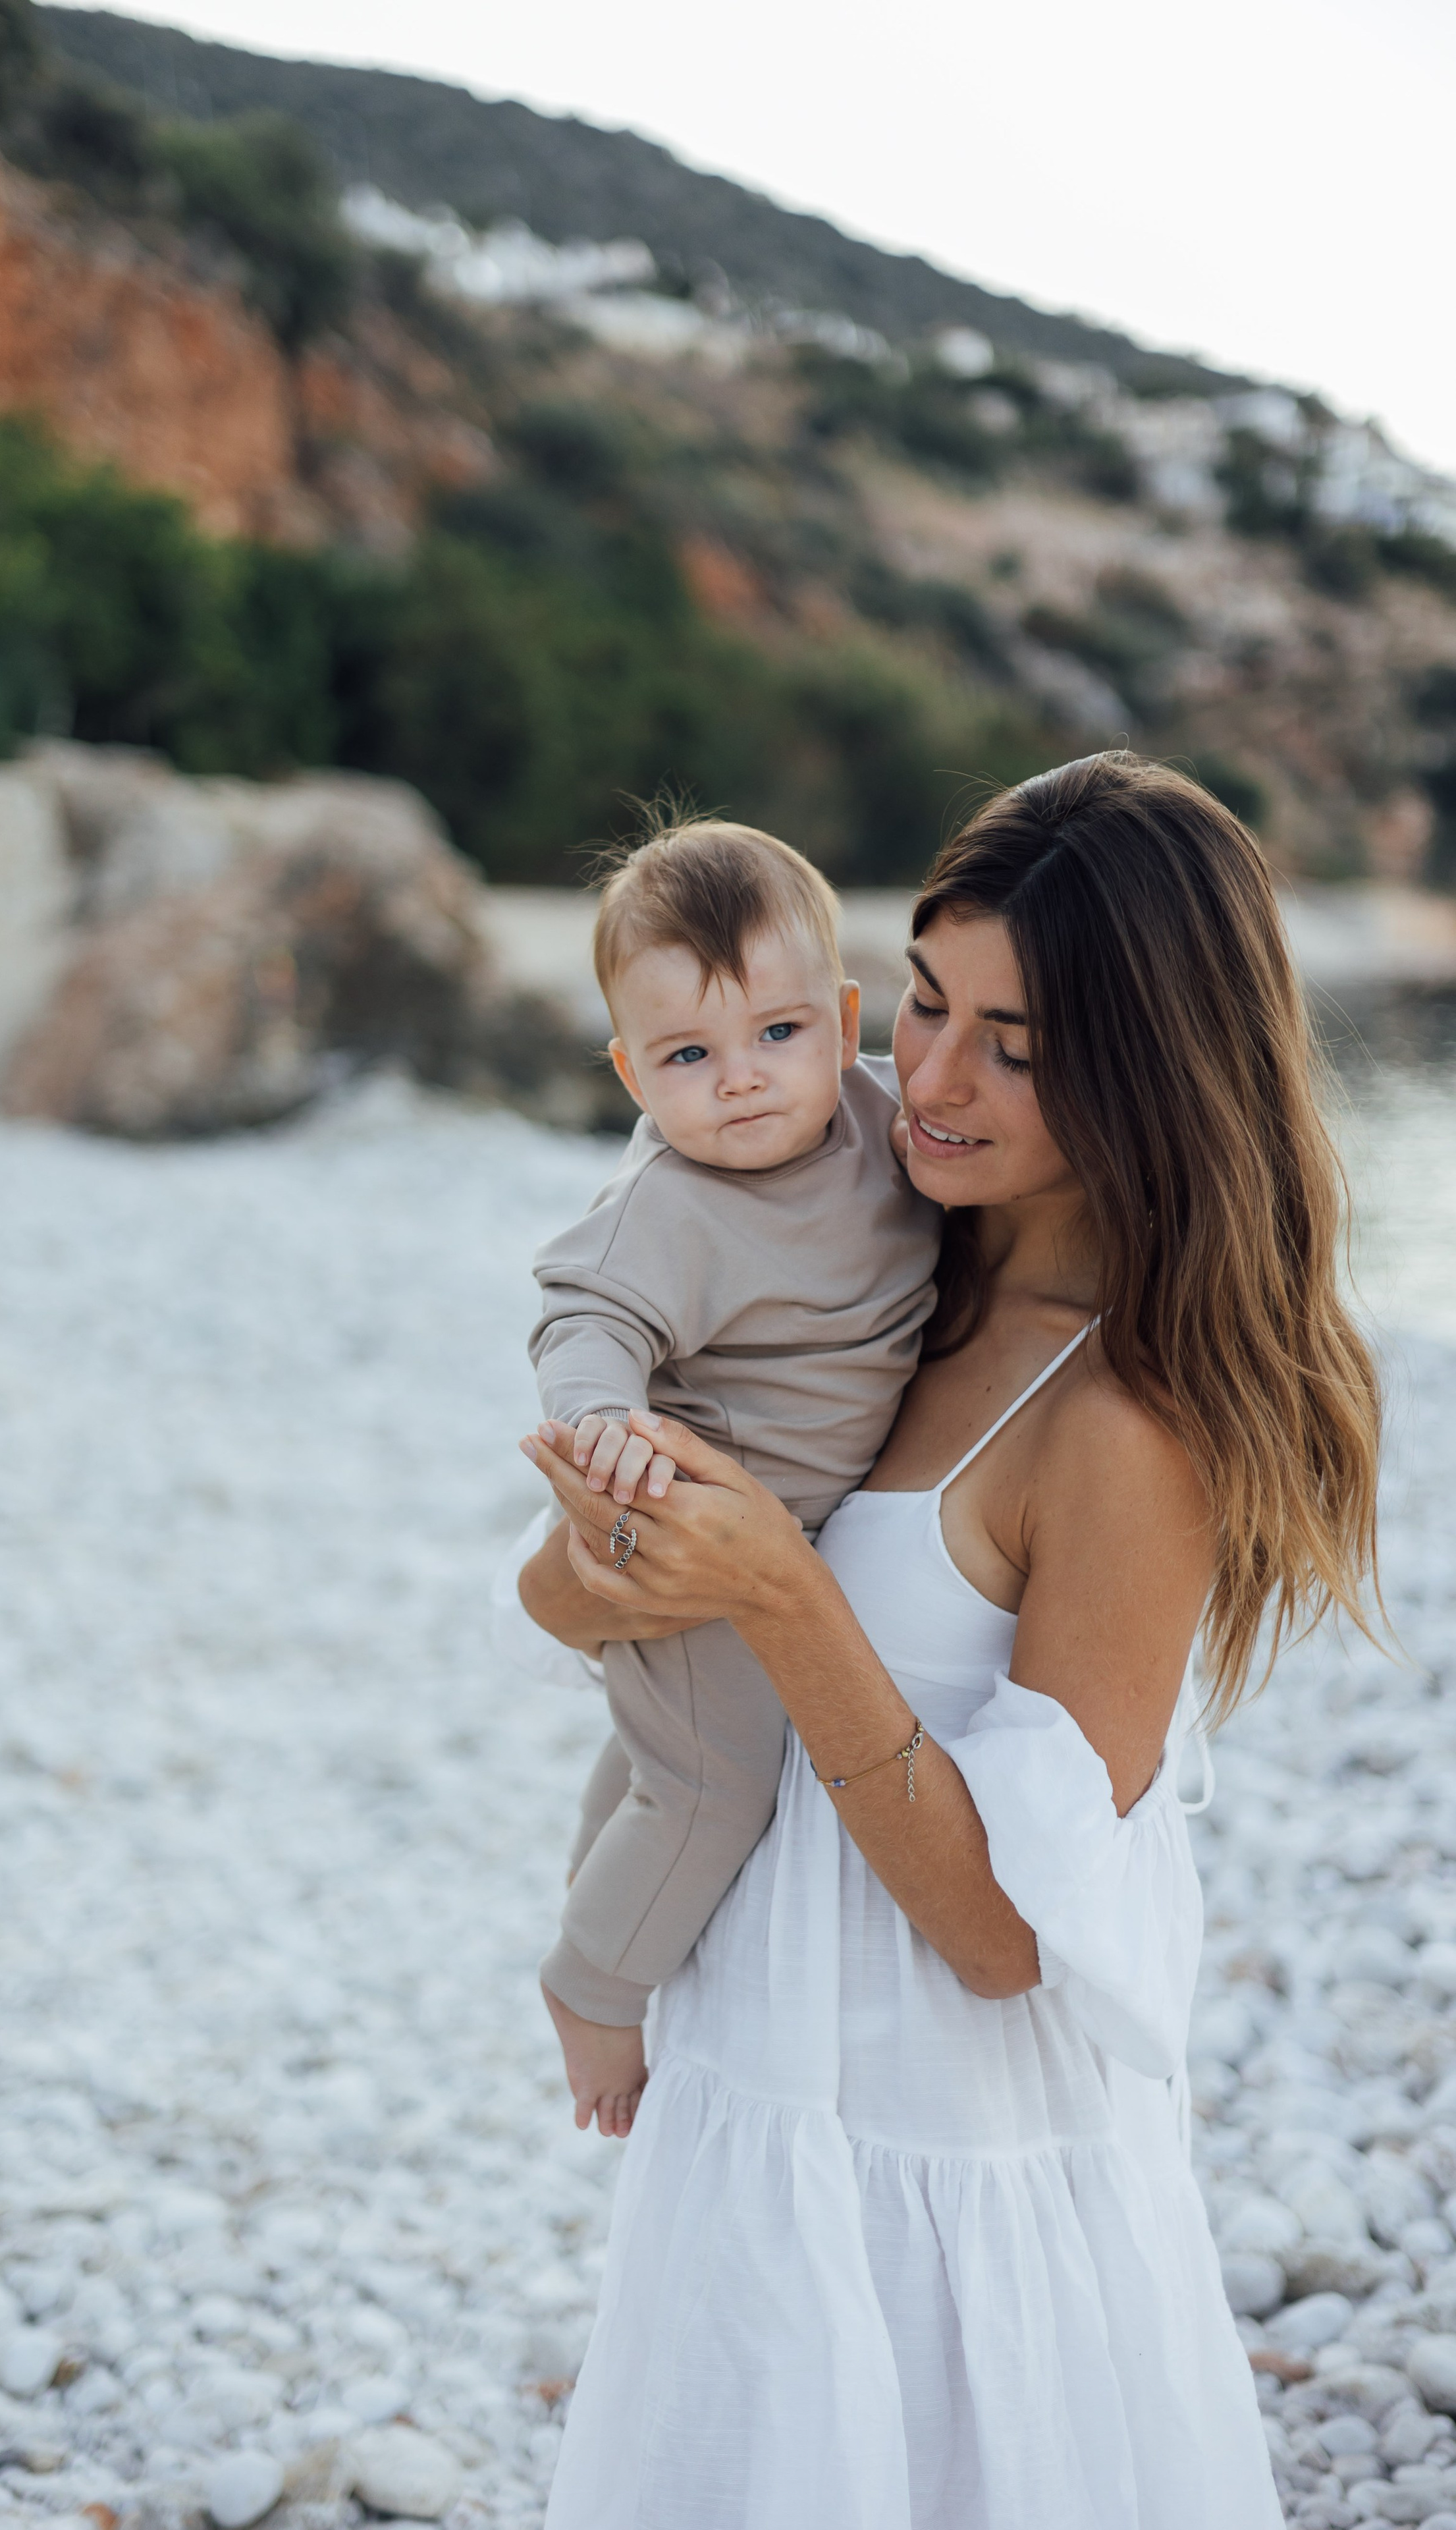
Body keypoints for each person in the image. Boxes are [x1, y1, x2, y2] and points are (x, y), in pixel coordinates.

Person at [508, 752, 1381, 2529]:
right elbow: (557, 1595)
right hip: (758, 2103)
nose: (939, 1078)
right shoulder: (882, 1256)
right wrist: (615, 1537)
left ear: (1148, 1071)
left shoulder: (1127, 1427)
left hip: (945, 2181)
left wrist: (775, 1589)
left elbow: (999, 1934)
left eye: (1023, 1044)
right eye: (923, 1002)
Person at [528, 817, 938, 2138]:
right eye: (687, 1057)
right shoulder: (668, 1206)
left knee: (663, 1751)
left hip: (784, 1536)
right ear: (627, 1071)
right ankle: (592, 1986)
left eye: (777, 1033)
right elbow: (581, 1318)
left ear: (845, 1017)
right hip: (696, 1540)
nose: (742, 1081)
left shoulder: (886, 1122)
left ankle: (599, 1881)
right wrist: (598, 1420)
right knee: (715, 1780)